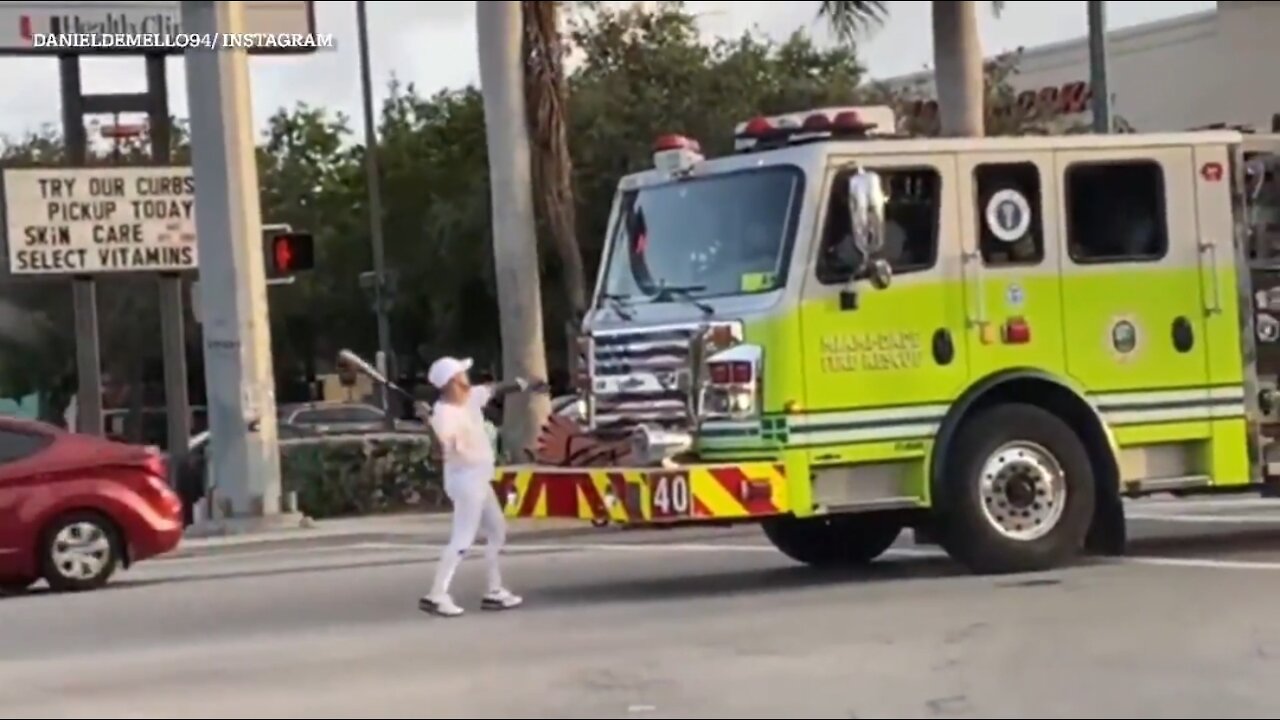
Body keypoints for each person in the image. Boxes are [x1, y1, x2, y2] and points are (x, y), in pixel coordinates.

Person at [419, 355, 546, 618]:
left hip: (479, 478)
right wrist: (426, 423)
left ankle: (494, 590)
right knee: (462, 539)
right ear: (453, 381)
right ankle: (436, 594)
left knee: (497, 530)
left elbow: (496, 388)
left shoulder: (471, 397)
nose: (468, 376)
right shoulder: (443, 414)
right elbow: (436, 452)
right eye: (463, 374)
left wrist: (527, 384)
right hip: (465, 480)